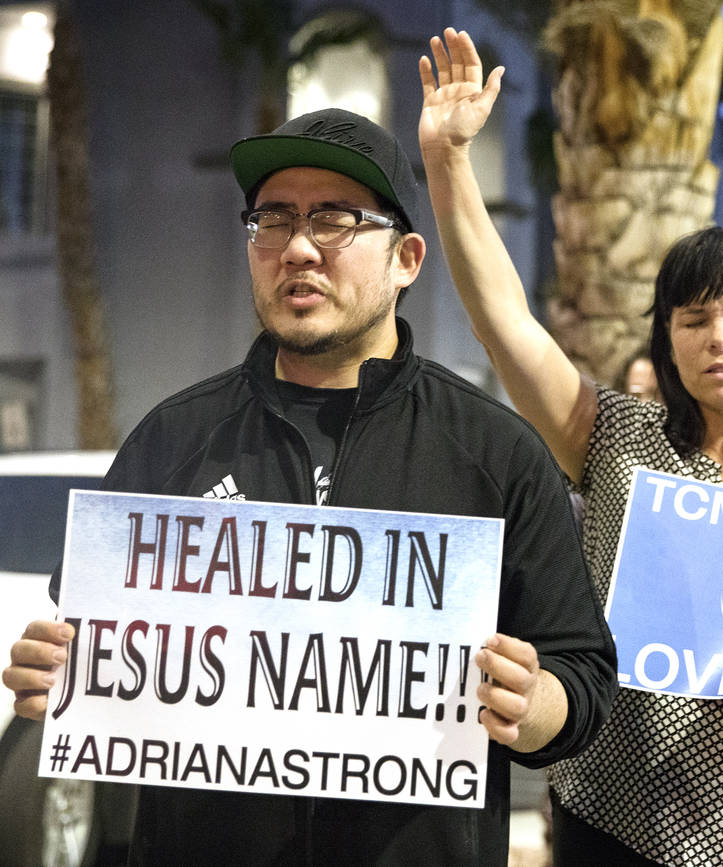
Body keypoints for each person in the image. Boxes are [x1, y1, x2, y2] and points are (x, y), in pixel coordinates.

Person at [3, 104, 617, 865]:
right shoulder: (173, 439)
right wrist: (51, 676)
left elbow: (583, 683)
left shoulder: (495, 455)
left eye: (334, 219)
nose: (297, 248)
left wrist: (532, 704)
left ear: (407, 259)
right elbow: (86, 647)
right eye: (272, 220)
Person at [418, 28, 723, 866]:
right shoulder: (619, 440)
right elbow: (505, 322)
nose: (719, 337)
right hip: (621, 824)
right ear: (668, 342)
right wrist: (449, 162)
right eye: (694, 320)